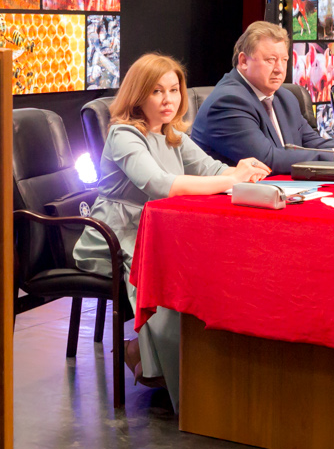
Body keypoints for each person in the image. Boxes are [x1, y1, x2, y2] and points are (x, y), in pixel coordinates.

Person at [75, 54, 266, 419]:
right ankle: (174, 377)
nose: (169, 100)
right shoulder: (123, 134)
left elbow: (212, 170)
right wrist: (231, 179)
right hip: (117, 233)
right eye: (157, 91)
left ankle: (195, 366)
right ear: (138, 95)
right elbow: (160, 185)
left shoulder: (172, 133)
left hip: (162, 228)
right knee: (176, 272)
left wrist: (241, 171)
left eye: (174, 90)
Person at [192, 21, 334, 173]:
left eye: (284, 60)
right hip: (231, 202)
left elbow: (312, 143)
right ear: (244, 61)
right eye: (271, 60)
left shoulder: (285, 97)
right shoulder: (228, 102)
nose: (279, 69)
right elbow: (266, 159)